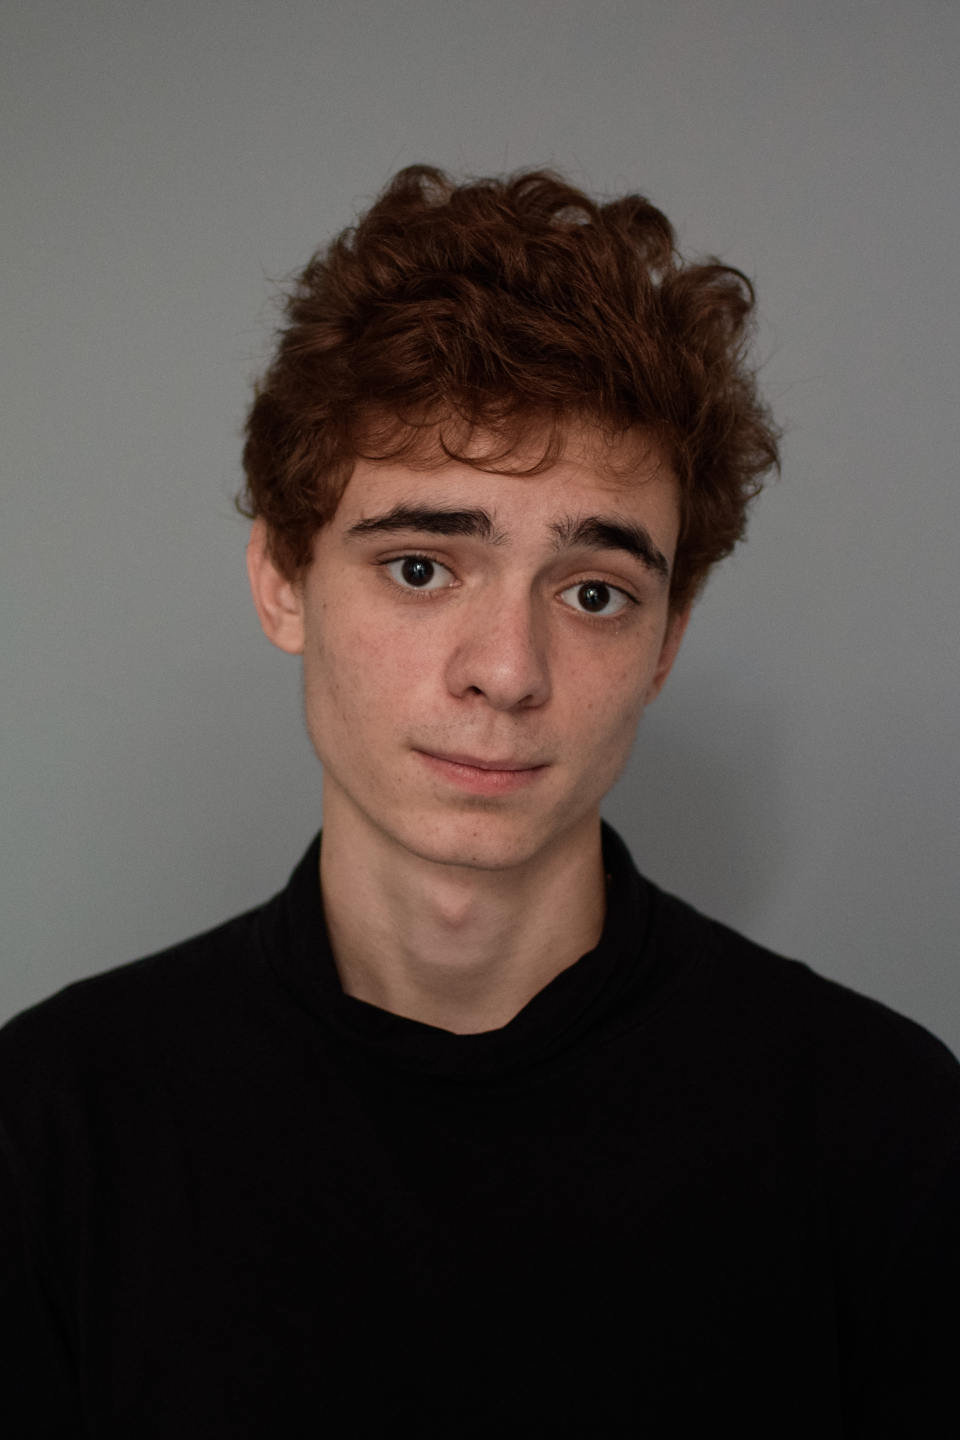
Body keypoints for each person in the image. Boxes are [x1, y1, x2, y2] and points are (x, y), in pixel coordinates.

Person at [1, 167, 957, 1438]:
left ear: (667, 642)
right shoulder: (52, 1129)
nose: (506, 672)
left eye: (595, 593)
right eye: (420, 567)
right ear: (282, 580)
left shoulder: (886, 1127)